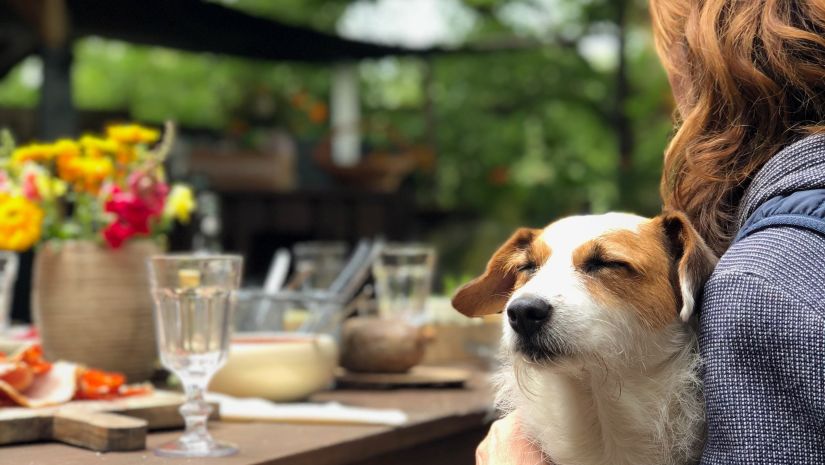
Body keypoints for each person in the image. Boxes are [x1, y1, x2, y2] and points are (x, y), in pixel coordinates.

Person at [477, 1, 825, 463]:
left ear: (702, 68)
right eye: (527, 269)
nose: (525, 303)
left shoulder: (758, 284)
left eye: (606, 264)